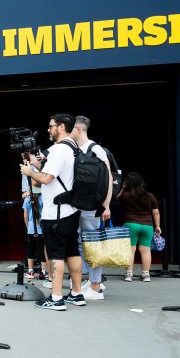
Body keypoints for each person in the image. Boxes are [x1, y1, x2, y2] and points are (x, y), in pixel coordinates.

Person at [20, 113, 85, 311]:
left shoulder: (57, 150)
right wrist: (39, 164)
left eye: (51, 126)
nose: (49, 130)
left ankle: (56, 298)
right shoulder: (74, 148)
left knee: (56, 254)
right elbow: (57, 173)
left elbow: (47, 179)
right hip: (71, 209)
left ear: (62, 127)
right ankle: (76, 293)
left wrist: (30, 171)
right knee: (72, 250)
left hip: (55, 211)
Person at [71, 116, 112, 300]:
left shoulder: (96, 149)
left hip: (92, 206)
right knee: (80, 243)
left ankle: (96, 286)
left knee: (92, 244)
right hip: (78, 205)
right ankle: (91, 281)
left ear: (78, 129)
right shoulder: (76, 150)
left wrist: (106, 205)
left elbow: (108, 177)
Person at [118, 172, 161, 282]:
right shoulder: (149, 196)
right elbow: (156, 212)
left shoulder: (126, 195)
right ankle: (146, 275)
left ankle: (129, 274)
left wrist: (123, 188)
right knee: (145, 250)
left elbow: (117, 198)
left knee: (131, 250)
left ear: (127, 184)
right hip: (147, 226)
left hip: (131, 224)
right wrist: (157, 226)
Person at [21, 174, 50, 283]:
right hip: (42, 228)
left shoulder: (28, 199)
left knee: (31, 249)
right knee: (42, 250)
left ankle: (31, 271)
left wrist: (28, 227)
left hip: (31, 229)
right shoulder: (44, 199)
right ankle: (43, 272)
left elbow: (25, 215)